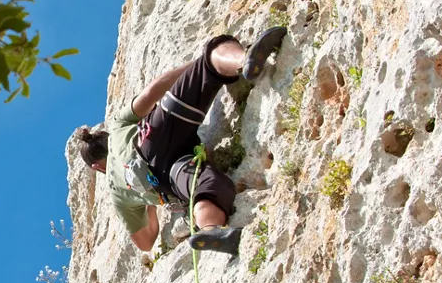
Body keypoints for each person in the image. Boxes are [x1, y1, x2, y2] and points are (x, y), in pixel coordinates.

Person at [75, 28, 287, 256]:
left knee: (209, 188)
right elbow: (150, 93)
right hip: (153, 138)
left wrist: (148, 205)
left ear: (97, 166)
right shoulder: (117, 126)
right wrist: (198, 66)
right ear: (104, 138)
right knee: (211, 57)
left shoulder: (117, 194)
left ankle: (211, 229)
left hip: (163, 181)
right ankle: (242, 60)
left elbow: (145, 243)